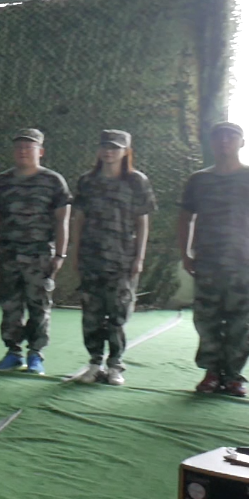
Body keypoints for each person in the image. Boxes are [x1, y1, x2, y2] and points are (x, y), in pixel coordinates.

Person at [71, 131, 155, 387]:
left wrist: (139, 257)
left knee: (118, 314)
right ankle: (95, 363)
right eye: (105, 147)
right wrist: (75, 252)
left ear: (126, 152)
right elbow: (79, 218)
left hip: (122, 259)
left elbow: (142, 221)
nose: (109, 152)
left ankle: (115, 365)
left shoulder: (136, 181)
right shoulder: (87, 181)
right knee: (92, 314)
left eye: (115, 148)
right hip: (91, 258)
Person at [0, 129, 71, 376]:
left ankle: (35, 354)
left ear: (40, 151)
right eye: (19, 147)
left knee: (39, 305)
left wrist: (60, 254)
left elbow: (62, 220)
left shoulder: (53, 181)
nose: (23, 151)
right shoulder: (1, 181)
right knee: (10, 306)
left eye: (29, 147)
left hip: (40, 255)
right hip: (8, 254)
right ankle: (13, 353)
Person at [178, 121, 249, 397]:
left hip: (243, 263)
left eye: (231, 137)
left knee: (241, 321)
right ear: (212, 143)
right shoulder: (199, 180)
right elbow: (185, 217)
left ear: (242, 142)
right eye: (219, 137)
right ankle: (211, 372)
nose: (224, 142)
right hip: (208, 261)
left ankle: (233, 376)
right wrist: (185, 253)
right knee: (206, 319)